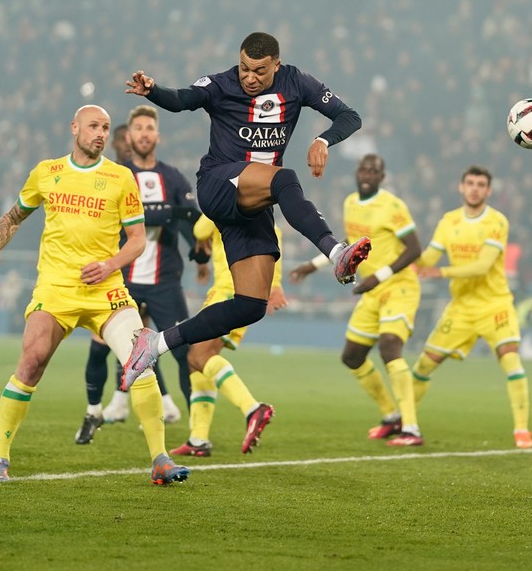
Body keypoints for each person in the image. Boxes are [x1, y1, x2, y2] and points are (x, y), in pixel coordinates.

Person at [119, 31, 371, 389]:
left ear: (276, 66)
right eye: (244, 69)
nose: (250, 78)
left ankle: (154, 343)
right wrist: (154, 90)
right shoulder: (222, 84)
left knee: (251, 305)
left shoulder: (296, 82)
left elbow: (349, 116)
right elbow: (182, 99)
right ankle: (336, 252)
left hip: (255, 203)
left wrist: (321, 139)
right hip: (219, 183)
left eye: (259, 71)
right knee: (285, 179)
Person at [0, 105, 189, 486]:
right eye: (93, 126)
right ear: (74, 128)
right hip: (56, 288)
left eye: (106, 128)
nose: (100, 133)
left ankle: (160, 458)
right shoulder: (48, 172)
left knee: (142, 359)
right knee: (31, 362)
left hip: (106, 290)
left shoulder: (121, 178)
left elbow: (137, 240)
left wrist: (109, 266)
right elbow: (12, 217)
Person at [78, 105, 204, 439]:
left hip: (165, 282)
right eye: (138, 129)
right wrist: (168, 213)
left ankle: (197, 431)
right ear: (129, 136)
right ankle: (93, 413)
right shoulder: (115, 176)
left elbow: (191, 219)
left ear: (157, 136)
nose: (144, 134)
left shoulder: (173, 177)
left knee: (182, 353)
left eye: (150, 128)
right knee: (100, 346)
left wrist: (199, 253)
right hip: (123, 280)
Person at [289, 153, 423, 446]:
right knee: (352, 357)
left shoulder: (393, 206)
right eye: (362, 169)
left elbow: (415, 249)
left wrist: (380, 276)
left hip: (399, 287)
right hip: (372, 292)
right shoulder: (350, 203)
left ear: (382, 177)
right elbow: (349, 248)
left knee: (390, 346)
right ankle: (392, 416)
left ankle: (411, 428)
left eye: (373, 171)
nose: (366, 174)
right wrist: (313, 265)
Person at [412, 165, 532, 449]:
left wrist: (440, 273)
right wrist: (406, 262)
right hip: (461, 307)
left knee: (510, 358)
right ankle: (406, 422)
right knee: (424, 364)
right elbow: (430, 256)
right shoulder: (449, 221)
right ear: (461, 187)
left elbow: (482, 266)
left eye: (481, 184)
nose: (475, 188)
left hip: (494, 304)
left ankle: (522, 431)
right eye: (470, 183)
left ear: (488, 191)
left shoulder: (497, 222)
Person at [171, 215, 283, 458]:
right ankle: (198, 439)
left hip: (229, 291)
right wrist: (275, 287)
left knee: (199, 355)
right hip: (250, 295)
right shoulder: (268, 220)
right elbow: (276, 254)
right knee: (196, 360)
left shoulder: (224, 207)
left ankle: (252, 409)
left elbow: (200, 230)